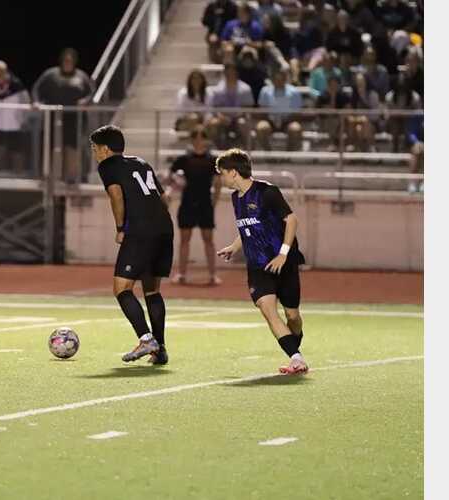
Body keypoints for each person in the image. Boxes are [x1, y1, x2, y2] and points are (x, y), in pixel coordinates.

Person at [215, 149, 308, 375]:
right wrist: (235, 246)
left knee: (293, 316)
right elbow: (247, 227)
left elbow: (292, 220)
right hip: (258, 265)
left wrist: (283, 254)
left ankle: (294, 348)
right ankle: (296, 358)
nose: (221, 178)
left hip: (283, 261)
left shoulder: (267, 192)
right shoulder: (235, 198)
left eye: (222, 173)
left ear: (234, 172)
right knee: (267, 309)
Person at [91, 125, 174, 365]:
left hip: (140, 231)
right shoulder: (141, 162)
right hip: (163, 228)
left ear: (106, 149)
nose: (95, 153)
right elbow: (164, 198)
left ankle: (146, 338)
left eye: (95, 149)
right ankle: (160, 349)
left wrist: (120, 228)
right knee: (152, 290)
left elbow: (116, 195)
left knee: (122, 288)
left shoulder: (107, 166)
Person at [168, 125, 222, 286]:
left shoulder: (213, 160)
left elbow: (218, 182)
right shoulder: (184, 159)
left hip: (205, 203)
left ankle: (213, 275)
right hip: (187, 202)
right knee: (185, 239)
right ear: (192, 139)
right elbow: (170, 175)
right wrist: (177, 183)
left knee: (209, 240)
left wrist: (215, 201)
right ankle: (181, 274)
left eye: (202, 136)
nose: (199, 140)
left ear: (206, 140)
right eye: (196, 137)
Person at [32, 48, 95, 183]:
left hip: (75, 119)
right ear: (61, 61)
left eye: (70, 61)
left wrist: (86, 101)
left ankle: (71, 178)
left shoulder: (81, 76)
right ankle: (51, 178)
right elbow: (37, 89)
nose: (68, 63)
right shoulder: (50, 75)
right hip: (53, 117)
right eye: (66, 60)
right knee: (53, 146)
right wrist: (36, 102)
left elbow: (91, 94)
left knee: (72, 147)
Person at [205, 63, 255, 148]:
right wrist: (221, 117)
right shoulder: (217, 89)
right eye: (228, 71)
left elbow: (248, 108)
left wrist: (237, 116)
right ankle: (218, 150)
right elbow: (216, 108)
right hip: (223, 118)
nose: (230, 73)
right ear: (224, 73)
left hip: (240, 118)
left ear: (237, 72)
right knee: (213, 124)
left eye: (233, 71)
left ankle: (248, 152)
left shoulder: (246, 88)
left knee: (242, 123)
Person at [256, 68, 304, 151]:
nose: (279, 81)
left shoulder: (294, 92)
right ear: (273, 80)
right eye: (276, 79)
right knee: (261, 127)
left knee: (296, 129)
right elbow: (262, 111)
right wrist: (272, 119)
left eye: (281, 79)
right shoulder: (265, 91)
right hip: (270, 121)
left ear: (285, 79)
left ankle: (287, 156)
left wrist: (285, 120)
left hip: (288, 121)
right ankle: (269, 155)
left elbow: (297, 113)